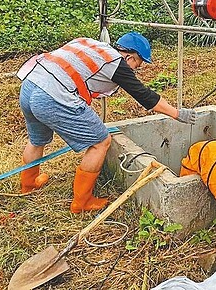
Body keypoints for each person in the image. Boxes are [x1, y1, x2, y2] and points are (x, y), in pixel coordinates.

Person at [16, 31, 197, 213]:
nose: (135, 70)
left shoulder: (90, 44)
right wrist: (177, 113)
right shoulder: (116, 63)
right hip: (52, 96)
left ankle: (29, 185)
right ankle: (82, 202)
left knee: (36, 140)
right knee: (100, 142)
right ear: (129, 57)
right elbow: (144, 95)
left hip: (30, 85)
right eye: (137, 64)